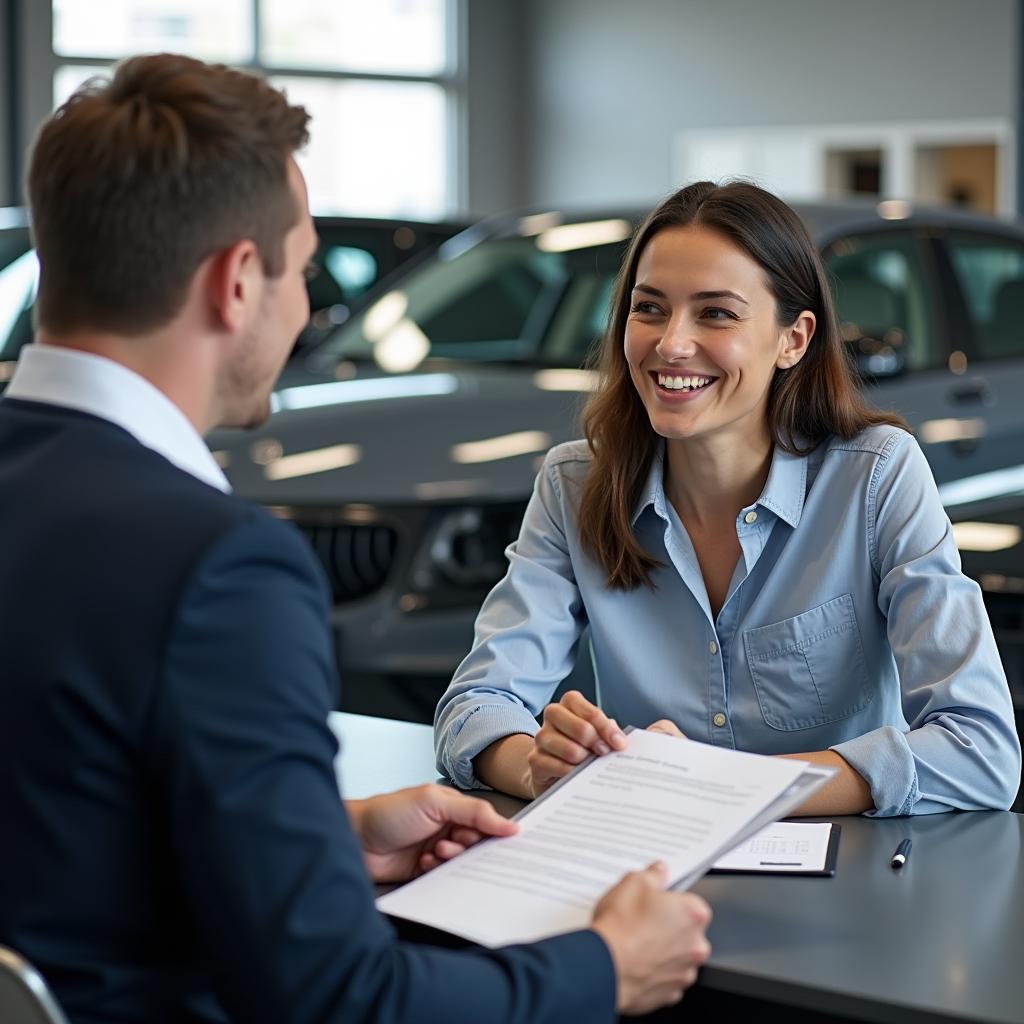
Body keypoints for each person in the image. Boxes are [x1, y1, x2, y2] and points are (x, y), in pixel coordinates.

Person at [0, 55, 712, 1024]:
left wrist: (320, 841)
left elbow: (59, 825)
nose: (306, 311)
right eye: (301, 270)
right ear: (237, 283)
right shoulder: (217, 567)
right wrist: (605, 966)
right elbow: (338, 1001)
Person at [435, 181, 1022, 816]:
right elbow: (473, 709)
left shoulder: (876, 477)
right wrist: (545, 767)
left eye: (716, 313)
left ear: (793, 340)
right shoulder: (573, 484)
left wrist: (715, 787)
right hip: (645, 870)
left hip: (846, 883)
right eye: (649, 308)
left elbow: (980, 751)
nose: (671, 344)